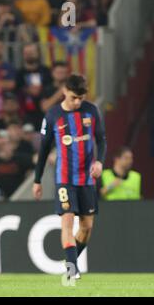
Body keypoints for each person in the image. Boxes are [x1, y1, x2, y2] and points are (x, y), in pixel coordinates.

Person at [32, 74, 106, 280]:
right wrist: (37, 180)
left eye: (81, 98)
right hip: (65, 178)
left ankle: (69, 263)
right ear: (64, 91)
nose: (77, 102)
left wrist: (99, 161)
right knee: (67, 222)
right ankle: (73, 268)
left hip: (87, 179)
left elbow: (102, 140)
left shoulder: (91, 111)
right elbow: (44, 150)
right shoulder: (53, 115)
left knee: (86, 227)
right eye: (74, 97)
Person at [16, 43, 52, 130]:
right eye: (26, 52)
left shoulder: (46, 71)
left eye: (32, 52)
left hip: (46, 112)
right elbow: (18, 89)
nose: (29, 55)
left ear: (38, 53)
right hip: (26, 114)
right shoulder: (19, 73)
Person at [0, 39, 15, 119]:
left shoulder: (8, 67)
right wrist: (3, 83)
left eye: (0, 47)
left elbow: (11, 84)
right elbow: (7, 84)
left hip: (6, 105)